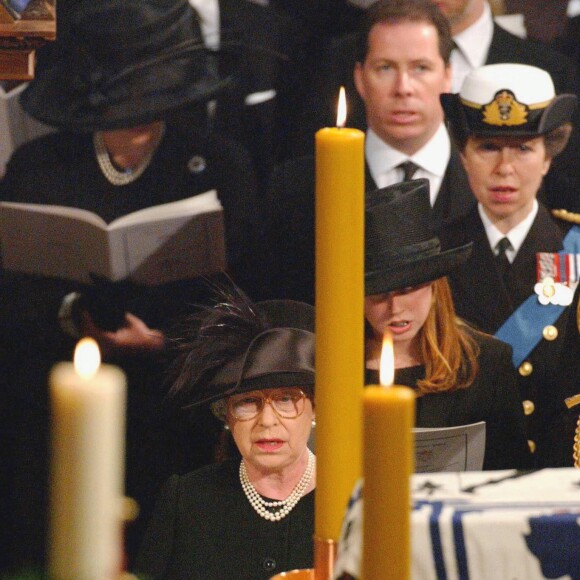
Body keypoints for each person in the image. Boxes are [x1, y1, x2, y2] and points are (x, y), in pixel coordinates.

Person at [0, 0, 266, 570]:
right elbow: (12, 304)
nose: (142, 114)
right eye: (126, 102)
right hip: (54, 427)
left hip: (178, 426)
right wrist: (75, 315)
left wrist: (166, 344)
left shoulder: (220, 165)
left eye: (155, 95)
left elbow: (249, 308)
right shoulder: (37, 168)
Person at [266, 0, 475, 304]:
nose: (403, 88)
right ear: (360, 78)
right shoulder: (297, 187)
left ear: (447, 75)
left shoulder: (486, 178)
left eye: (421, 68)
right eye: (385, 68)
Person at [440, 63, 579, 466]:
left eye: (523, 148)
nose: (505, 168)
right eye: (487, 147)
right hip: (464, 474)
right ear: (463, 156)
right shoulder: (434, 256)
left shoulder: (574, 249)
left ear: (548, 157)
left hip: (554, 472)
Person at [136, 287, 316, 579]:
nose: (267, 421)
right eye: (247, 402)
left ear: (315, 408)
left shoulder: (352, 502)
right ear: (226, 414)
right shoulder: (188, 500)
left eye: (286, 399)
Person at [364, 178, 531, 470]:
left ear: (434, 286)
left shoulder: (485, 363)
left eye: (407, 290)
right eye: (379, 294)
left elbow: (512, 474)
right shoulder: (325, 367)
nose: (395, 308)